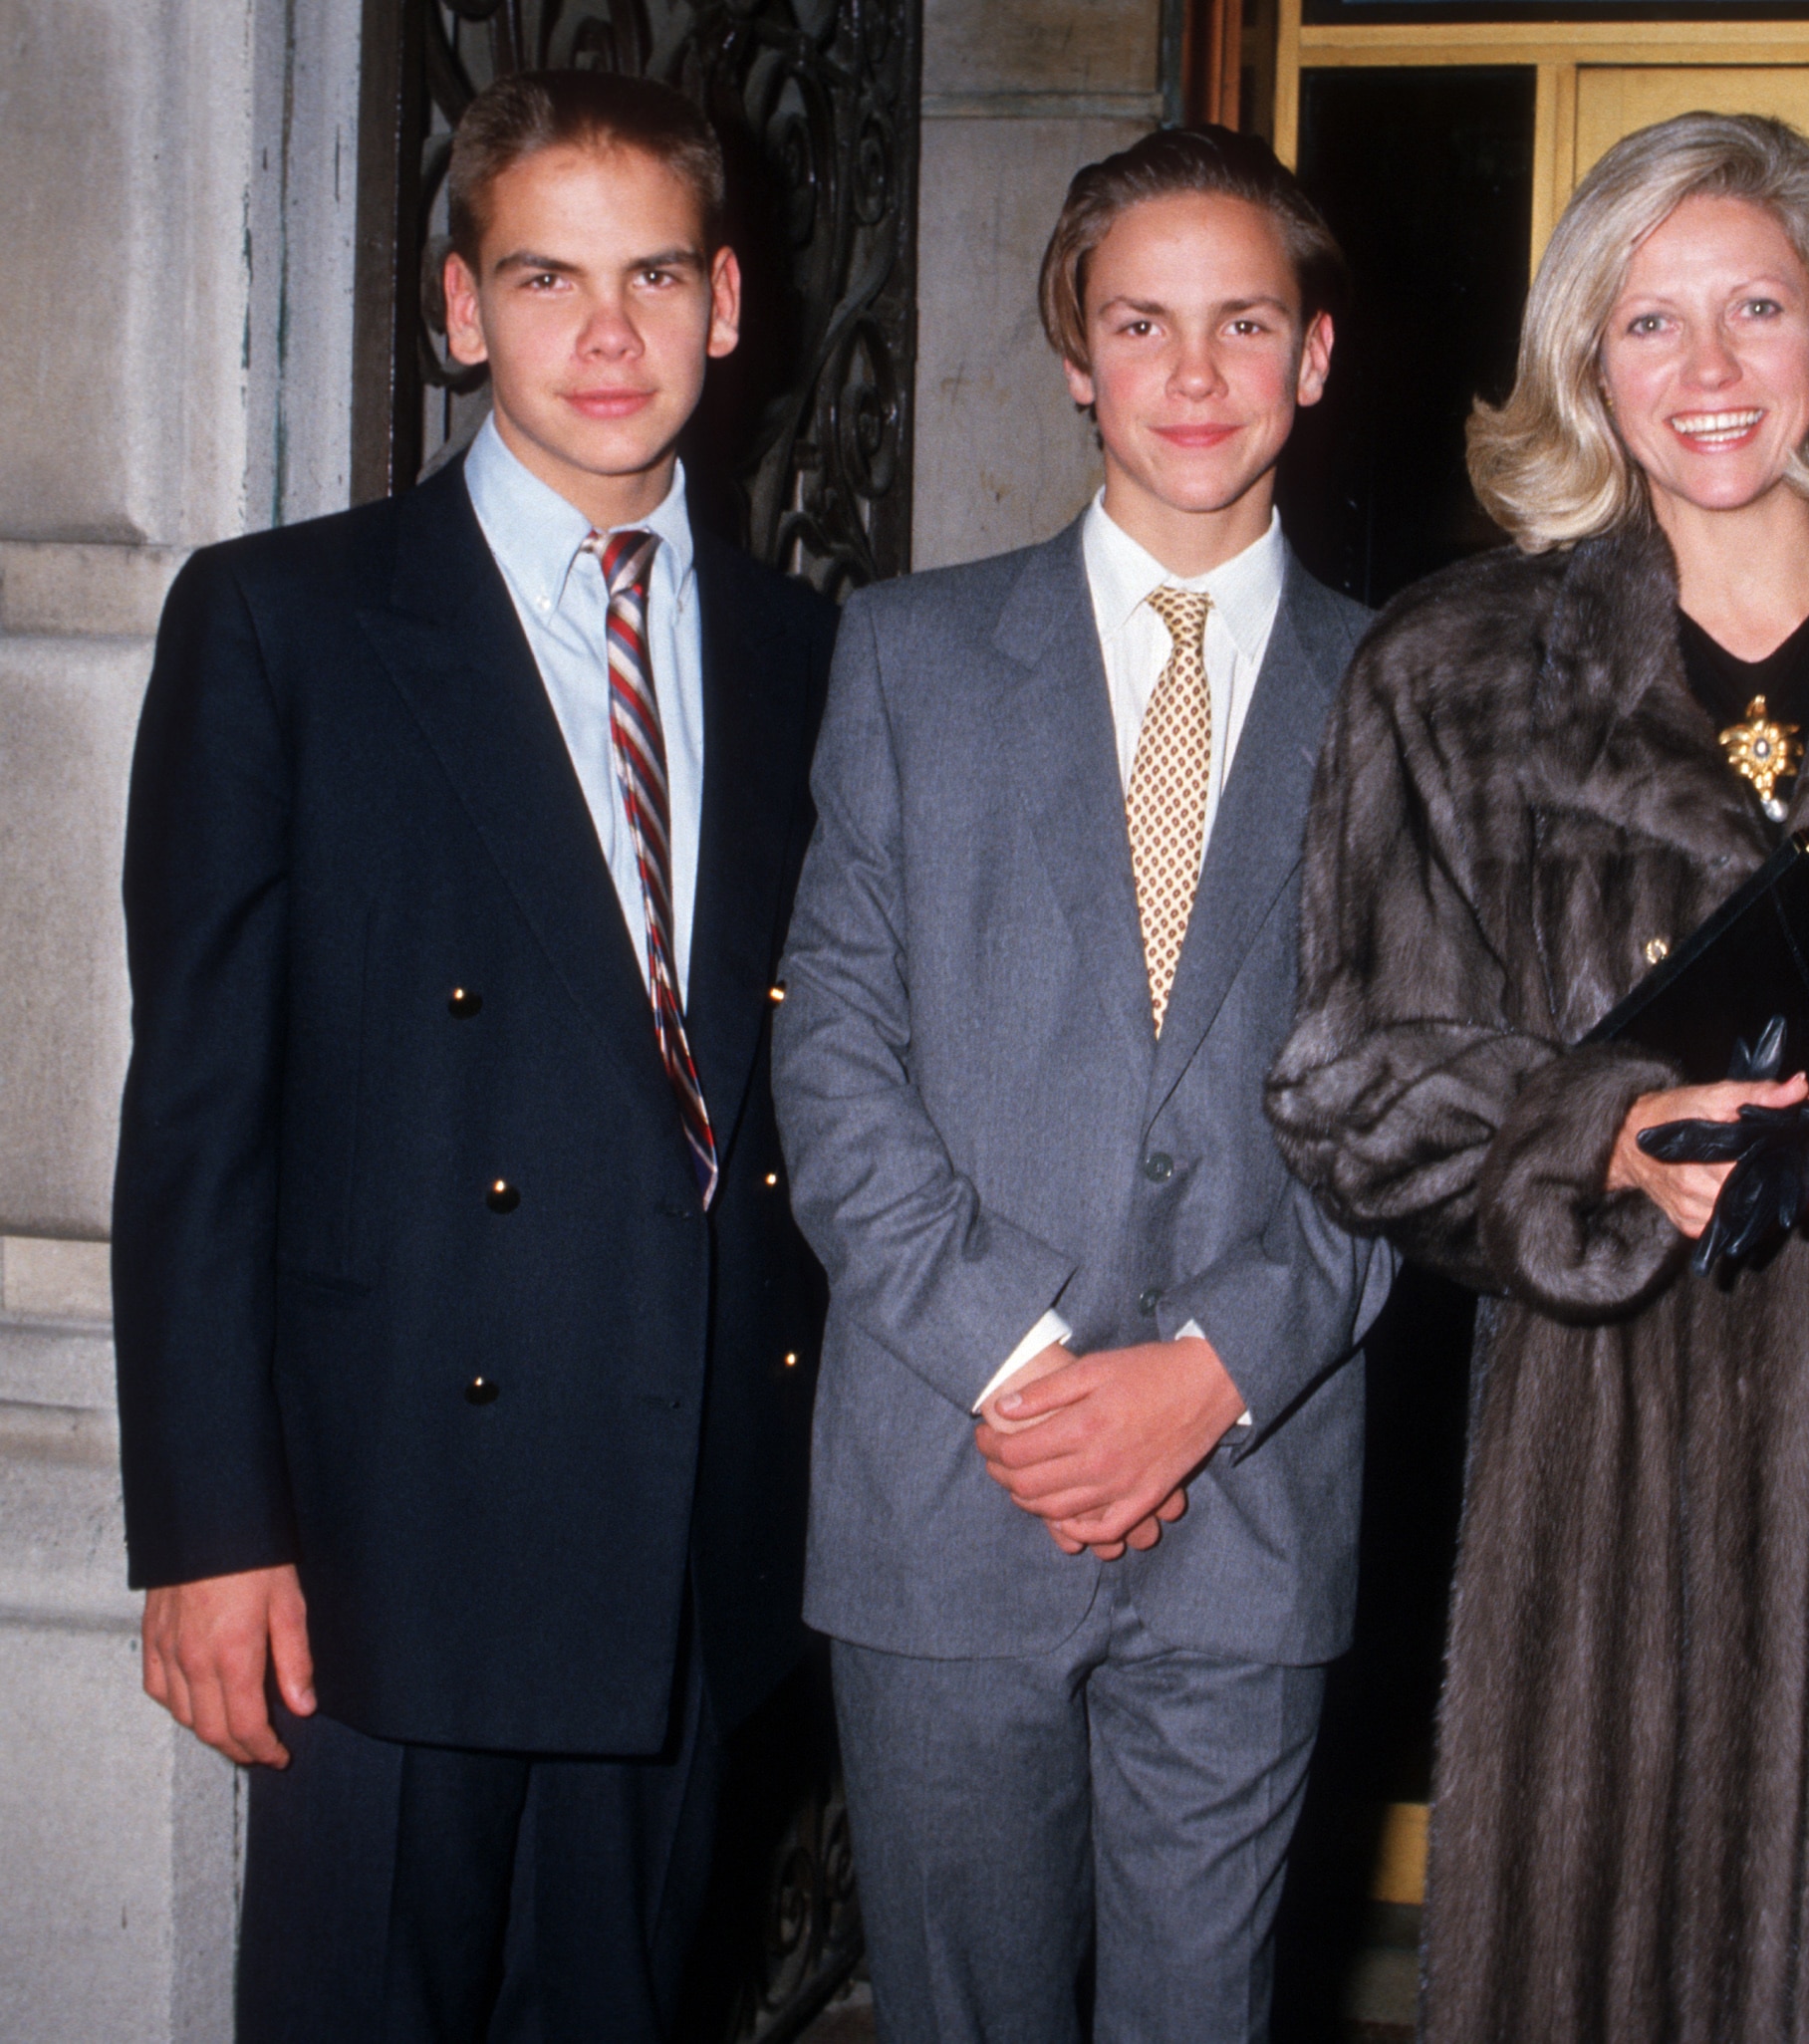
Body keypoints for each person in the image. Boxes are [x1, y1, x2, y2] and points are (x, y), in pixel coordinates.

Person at [1269, 111, 1809, 2044]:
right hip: (1608, 1470)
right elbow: (1347, 1073)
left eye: (1757, 309)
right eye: (1652, 324)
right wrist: (1589, 1137)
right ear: (1586, 360)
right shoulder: (1453, 668)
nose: (1710, 370)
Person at [113, 69, 836, 2041]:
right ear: (457, 312)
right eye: (544, 278)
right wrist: (206, 1531)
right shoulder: (288, 621)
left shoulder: (803, 657)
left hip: (690, 1522)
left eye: (653, 275)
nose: (607, 336)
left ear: (729, 306)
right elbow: (195, 1114)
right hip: (384, 1528)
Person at [771, 126, 1389, 2044]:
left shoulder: (1410, 693)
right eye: (1140, 324)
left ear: (1315, 355)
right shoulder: (909, 656)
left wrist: (1212, 1374)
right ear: (1072, 355)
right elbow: (833, 1053)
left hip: (1254, 1496)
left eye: (1242, 323)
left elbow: (1420, 1108)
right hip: (956, 1490)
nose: (1192, 376)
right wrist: (1028, 1373)